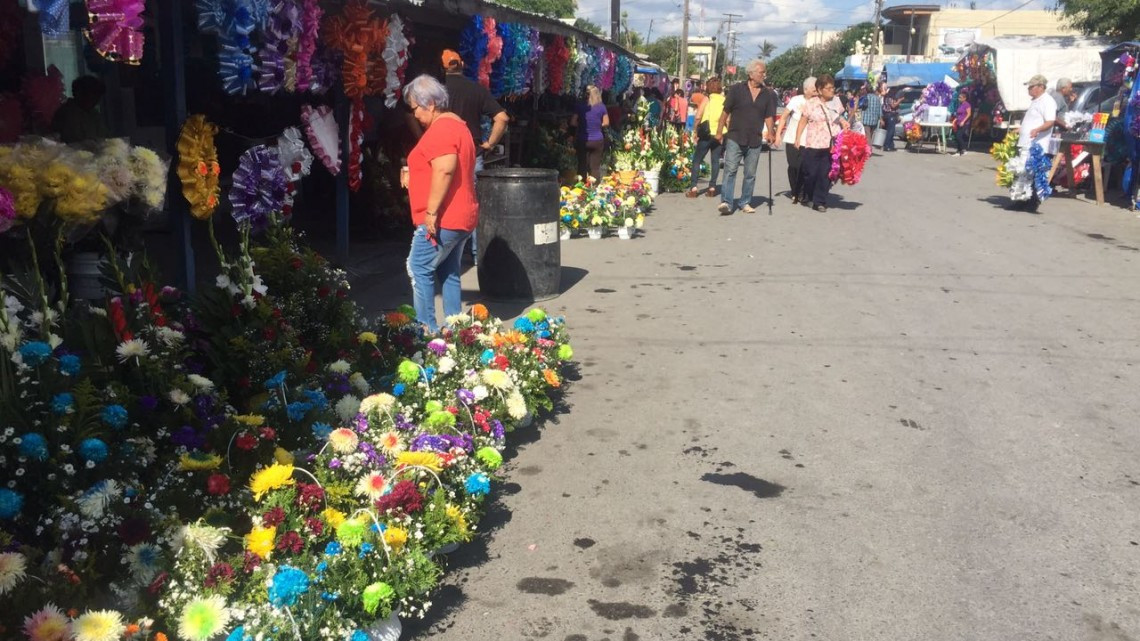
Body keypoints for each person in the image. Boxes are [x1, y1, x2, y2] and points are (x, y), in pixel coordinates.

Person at [400, 75, 478, 333]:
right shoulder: (459, 126)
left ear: (430, 104)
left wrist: (431, 212)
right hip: (462, 216)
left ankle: (426, 331)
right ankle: (456, 328)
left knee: (418, 266)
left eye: (415, 109)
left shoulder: (442, 129)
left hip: (444, 217)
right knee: (449, 270)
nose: (415, 116)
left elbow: (445, 169)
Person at [441, 50, 508, 266]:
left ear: (443, 67)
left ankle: (447, 255)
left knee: (443, 202)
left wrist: (420, 136)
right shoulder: (476, 90)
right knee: (471, 202)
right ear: (462, 64)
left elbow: (409, 113)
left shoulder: (437, 91)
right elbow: (502, 118)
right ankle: (478, 254)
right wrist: (490, 143)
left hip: (442, 154)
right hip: (472, 154)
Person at [716, 60, 778, 214]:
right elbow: (725, 112)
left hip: (755, 139)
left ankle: (745, 202)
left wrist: (771, 133)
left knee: (750, 174)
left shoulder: (767, 94)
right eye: (761, 72)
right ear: (751, 74)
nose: (764, 75)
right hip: (735, 136)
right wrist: (719, 131)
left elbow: (769, 116)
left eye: (764, 72)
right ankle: (727, 202)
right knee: (730, 170)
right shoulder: (737, 89)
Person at [795, 74, 849, 213]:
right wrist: (797, 138)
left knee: (826, 174)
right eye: (828, 88)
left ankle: (820, 201)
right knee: (810, 173)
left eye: (833, 87)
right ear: (820, 90)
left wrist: (844, 123)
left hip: (831, 144)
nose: (832, 90)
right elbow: (803, 121)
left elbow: (840, 117)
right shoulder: (811, 104)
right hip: (813, 144)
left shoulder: (836, 102)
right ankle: (809, 194)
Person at [1006, 74, 1057, 213]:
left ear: (1041, 87)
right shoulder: (1036, 101)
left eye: (1031, 87)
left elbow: (1050, 121)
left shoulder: (1047, 101)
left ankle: (1032, 202)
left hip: (1037, 145)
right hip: (1026, 143)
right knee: (1023, 173)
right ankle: (1020, 200)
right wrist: (1021, 129)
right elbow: (1032, 120)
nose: (1029, 89)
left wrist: (1037, 130)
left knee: (1034, 173)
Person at [774, 76, 816, 204]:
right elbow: (784, 117)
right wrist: (777, 135)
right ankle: (794, 190)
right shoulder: (796, 100)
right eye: (814, 89)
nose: (816, 91)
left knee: (804, 167)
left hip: (809, 140)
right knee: (793, 166)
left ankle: (802, 192)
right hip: (792, 138)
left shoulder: (818, 103)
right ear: (806, 89)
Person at [685, 76, 725, 198]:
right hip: (719, 134)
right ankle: (712, 187)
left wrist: (695, 130)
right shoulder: (725, 100)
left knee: (697, 160)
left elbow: (698, 116)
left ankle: (694, 188)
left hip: (706, 134)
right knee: (715, 160)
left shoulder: (707, 99)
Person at [52, 75, 109, 144]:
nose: (96, 100)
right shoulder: (66, 113)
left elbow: (103, 136)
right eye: (92, 94)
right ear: (79, 93)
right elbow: (70, 141)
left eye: (98, 96)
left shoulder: (94, 113)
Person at [570, 85, 609, 183]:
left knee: (582, 165)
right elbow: (606, 123)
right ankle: (595, 189)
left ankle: (581, 187)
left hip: (583, 139)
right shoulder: (601, 107)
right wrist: (597, 124)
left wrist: (583, 123)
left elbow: (573, 122)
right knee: (595, 167)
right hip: (597, 140)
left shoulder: (580, 106)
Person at [952, 89, 971, 156]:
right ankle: (958, 151)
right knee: (957, 136)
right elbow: (958, 114)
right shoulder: (960, 105)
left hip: (964, 123)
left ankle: (963, 149)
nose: (959, 98)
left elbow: (969, 114)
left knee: (958, 136)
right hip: (958, 122)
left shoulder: (967, 104)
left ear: (964, 98)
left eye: (960, 97)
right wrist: (955, 120)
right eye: (958, 97)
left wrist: (963, 121)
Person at [881, 87, 899, 152]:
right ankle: (887, 146)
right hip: (890, 115)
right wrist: (900, 100)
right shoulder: (889, 97)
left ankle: (891, 145)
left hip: (887, 115)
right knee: (890, 131)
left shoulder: (886, 97)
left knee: (891, 131)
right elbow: (893, 106)